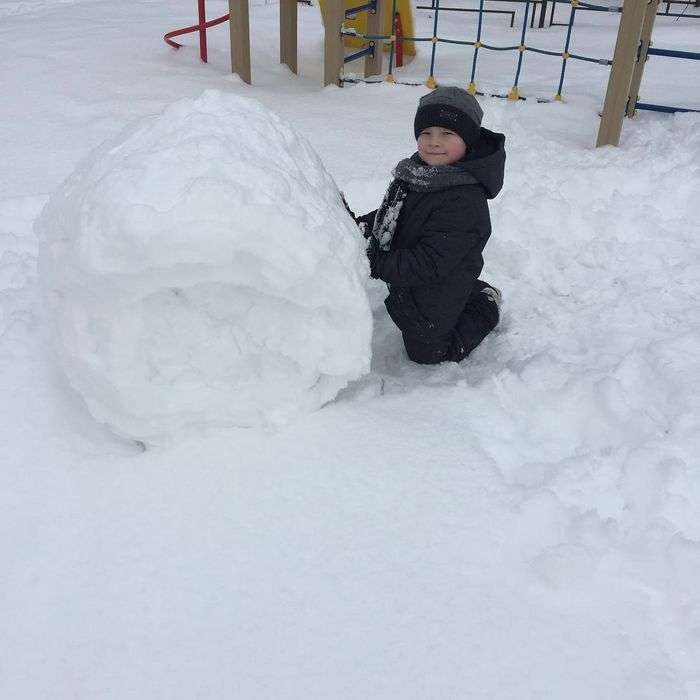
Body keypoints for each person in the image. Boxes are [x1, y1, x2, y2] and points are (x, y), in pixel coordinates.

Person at [355, 86, 506, 365]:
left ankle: (485, 304)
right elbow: (393, 213)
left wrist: (375, 262)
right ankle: (470, 291)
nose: (433, 142)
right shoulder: (418, 172)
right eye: (426, 133)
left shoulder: (463, 201)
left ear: (468, 141)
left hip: (437, 283)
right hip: (410, 275)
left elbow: (430, 262)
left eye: (447, 134)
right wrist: (358, 227)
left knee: (428, 351)